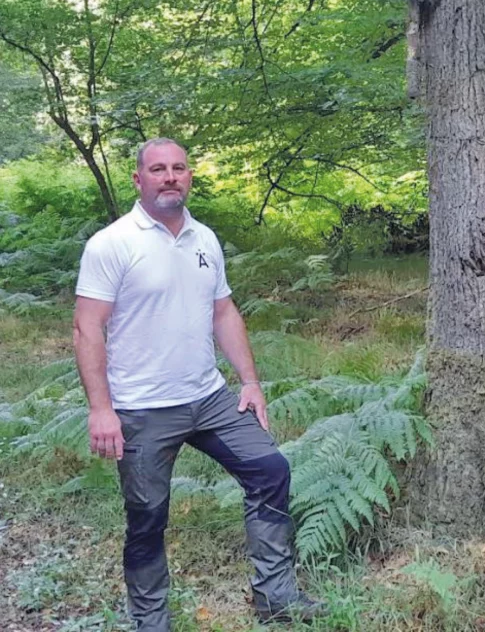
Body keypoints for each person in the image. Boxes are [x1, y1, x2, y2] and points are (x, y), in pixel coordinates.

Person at [73, 138, 325, 630]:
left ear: (190, 176)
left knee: (270, 470)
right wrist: (101, 409)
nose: (170, 176)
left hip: (209, 398)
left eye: (179, 168)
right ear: (139, 179)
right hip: (142, 409)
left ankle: (275, 595)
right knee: (147, 517)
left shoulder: (204, 239)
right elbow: (87, 327)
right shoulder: (112, 243)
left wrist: (249, 381)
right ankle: (151, 621)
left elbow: (223, 311)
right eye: (158, 169)